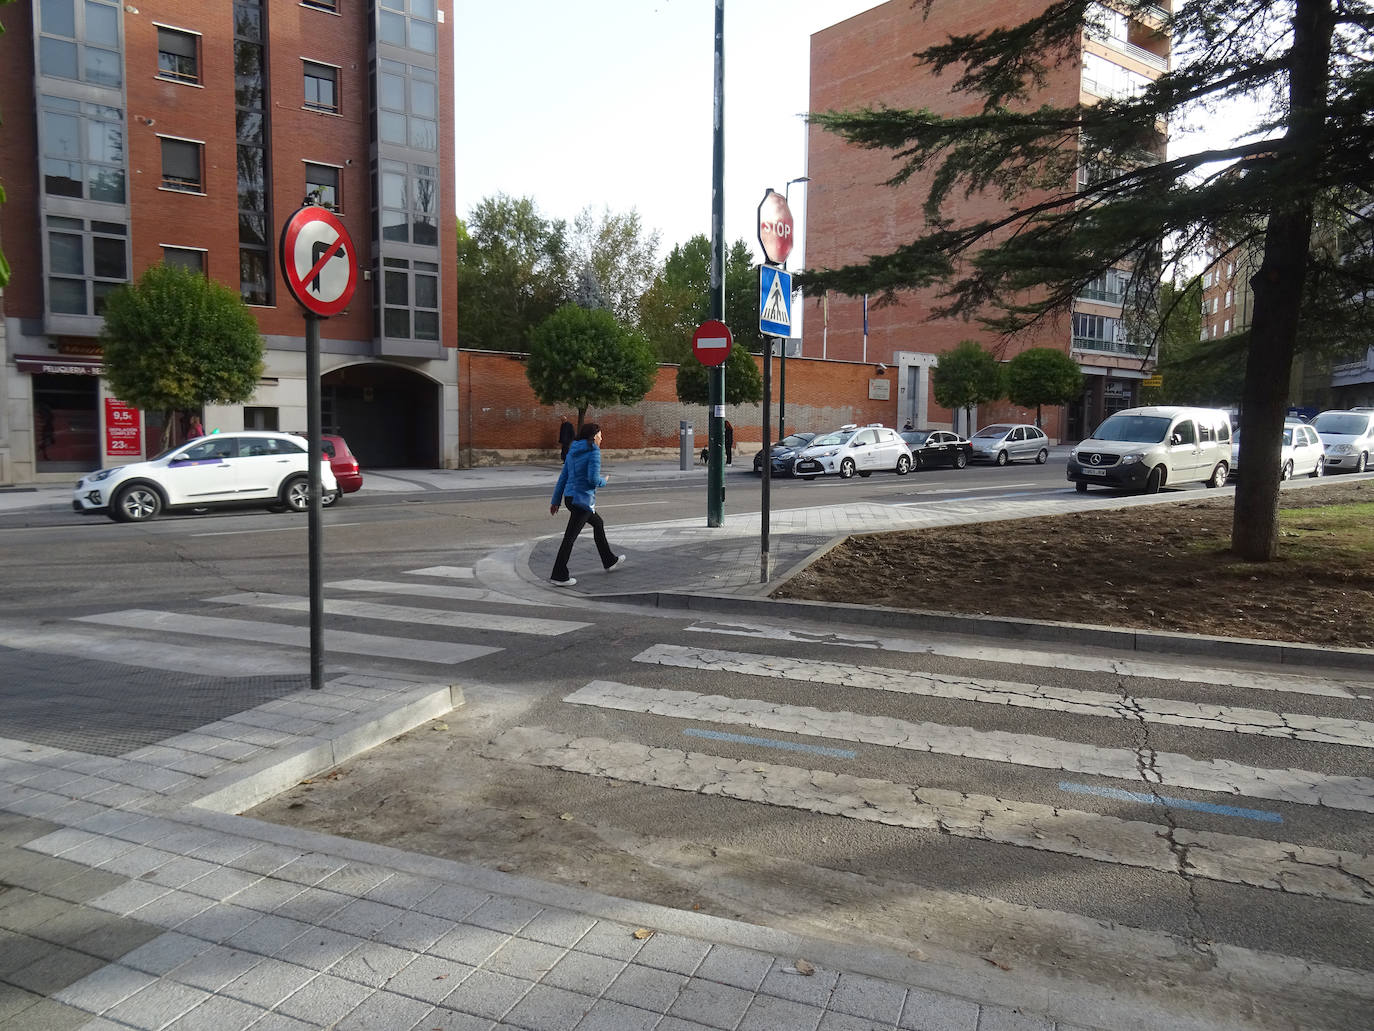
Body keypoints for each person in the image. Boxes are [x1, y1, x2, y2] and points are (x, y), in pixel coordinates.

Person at [549, 422, 625, 587]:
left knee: (598, 523)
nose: (602, 438)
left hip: (570, 499)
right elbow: (592, 479)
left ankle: (609, 560)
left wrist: (555, 501)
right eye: (600, 435)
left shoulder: (573, 450)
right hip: (582, 500)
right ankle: (559, 574)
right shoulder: (593, 452)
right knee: (570, 538)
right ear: (595, 435)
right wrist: (603, 481)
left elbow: (563, 478)